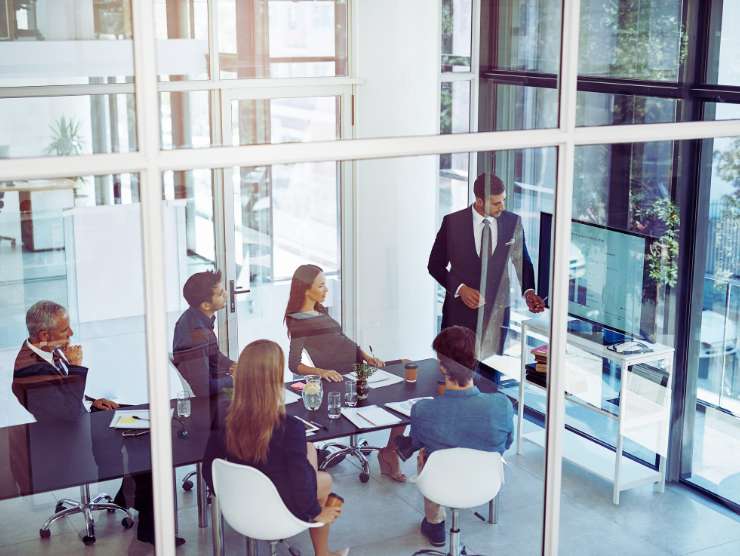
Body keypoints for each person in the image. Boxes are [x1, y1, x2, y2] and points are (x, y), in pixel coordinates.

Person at [11, 301, 183, 546]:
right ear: (44, 334)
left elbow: (62, 401)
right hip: (67, 439)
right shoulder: (30, 370)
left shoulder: (43, 350)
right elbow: (66, 413)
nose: (71, 334)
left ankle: (126, 496)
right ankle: (150, 528)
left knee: (138, 418)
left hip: (74, 422)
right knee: (147, 444)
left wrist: (92, 402)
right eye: (65, 330)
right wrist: (76, 368)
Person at [203, 340, 349, 556]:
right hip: (281, 505)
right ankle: (323, 553)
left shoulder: (225, 416)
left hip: (239, 506)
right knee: (324, 479)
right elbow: (299, 483)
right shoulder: (290, 427)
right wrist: (316, 512)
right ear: (275, 379)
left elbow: (209, 468)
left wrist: (227, 493)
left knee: (308, 450)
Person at [284, 264, 406, 482]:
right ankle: (390, 454)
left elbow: (342, 340)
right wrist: (321, 371)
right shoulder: (300, 321)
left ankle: (390, 451)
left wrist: (366, 357)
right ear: (305, 289)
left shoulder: (319, 310)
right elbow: (294, 364)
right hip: (342, 377)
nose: (326, 289)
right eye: (321, 285)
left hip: (358, 368)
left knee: (405, 379)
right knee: (398, 393)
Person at [395, 326, 514, 547]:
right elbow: (506, 444)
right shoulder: (502, 405)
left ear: (442, 367)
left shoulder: (423, 410)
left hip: (440, 485)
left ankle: (435, 521)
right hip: (485, 485)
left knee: (425, 454)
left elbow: (417, 443)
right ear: (475, 362)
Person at [428, 173, 545, 359]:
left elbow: (522, 260)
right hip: (458, 315)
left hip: (497, 318)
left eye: (503, 200)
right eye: (496, 203)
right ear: (480, 201)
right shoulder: (452, 223)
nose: (502, 207)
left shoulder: (513, 222)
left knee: (491, 381)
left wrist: (529, 291)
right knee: (453, 374)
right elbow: (434, 265)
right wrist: (461, 289)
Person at [172, 269, 234, 397]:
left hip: (216, 384)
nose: (227, 295)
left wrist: (232, 365)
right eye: (221, 294)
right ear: (206, 305)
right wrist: (234, 380)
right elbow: (203, 388)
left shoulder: (194, 318)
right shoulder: (196, 334)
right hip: (212, 401)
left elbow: (213, 353)